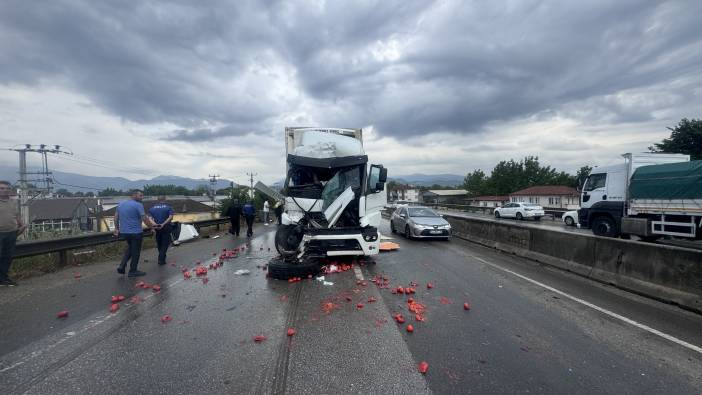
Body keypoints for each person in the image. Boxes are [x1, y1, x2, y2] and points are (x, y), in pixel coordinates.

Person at [114, 190, 156, 277]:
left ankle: (122, 266)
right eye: (140, 195)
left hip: (124, 232)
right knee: (136, 251)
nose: (142, 197)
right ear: (134, 195)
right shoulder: (138, 205)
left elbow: (116, 217)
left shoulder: (121, 204)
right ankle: (133, 270)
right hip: (136, 232)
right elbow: (144, 218)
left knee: (130, 248)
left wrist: (116, 228)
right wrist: (152, 227)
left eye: (142, 196)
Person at [0, 181, 26, 286]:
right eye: (1, 188)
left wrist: (22, 225)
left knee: (7, 257)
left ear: (10, 190)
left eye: (6, 188)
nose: (4, 190)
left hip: (11, 233)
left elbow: (16, 215)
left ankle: (3, 279)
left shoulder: (13, 202)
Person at [148, 195, 174, 266]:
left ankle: (162, 258)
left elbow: (149, 218)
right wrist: (163, 224)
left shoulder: (151, 209)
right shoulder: (168, 207)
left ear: (157, 200)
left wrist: (155, 224)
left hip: (157, 228)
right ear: (164, 199)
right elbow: (170, 217)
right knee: (165, 244)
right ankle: (161, 259)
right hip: (166, 228)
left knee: (159, 243)